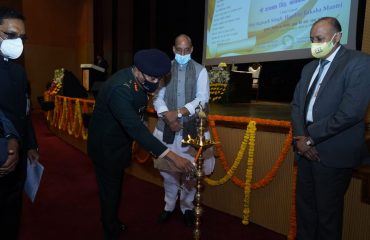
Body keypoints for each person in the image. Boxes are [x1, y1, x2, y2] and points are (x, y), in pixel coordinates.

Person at [87, 48, 195, 240]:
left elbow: (139, 108)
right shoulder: (120, 88)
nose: (155, 83)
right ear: (137, 70)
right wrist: (173, 156)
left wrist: (145, 118)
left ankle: (111, 220)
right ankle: (109, 230)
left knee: (115, 187)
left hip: (120, 143)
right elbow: (135, 129)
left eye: (159, 79)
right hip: (106, 147)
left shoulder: (138, 81)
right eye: (152, 79)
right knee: (109, 192)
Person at [291, 17, 370, 240]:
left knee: (327, 217)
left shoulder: (359, 62)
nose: (315, 43)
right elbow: (296, 105)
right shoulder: (308, 68)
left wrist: (310, 138)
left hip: (332, 153)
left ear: (337, 37)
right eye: (312, 39)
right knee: (305, 212)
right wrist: (300, 138)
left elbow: (350, 112)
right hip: (304, 150)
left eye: (320, 39)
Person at [153, 34, 215, 227]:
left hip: (192, 131)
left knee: (190, 174)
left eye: (186, 50)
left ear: (192, 50)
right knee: (168, 173)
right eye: (179, 50)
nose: (182, 53)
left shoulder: (200, 70)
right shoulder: (164, 69)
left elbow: (202, 100)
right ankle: (169, 205)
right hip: (166, 128)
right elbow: (157, 97)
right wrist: (167, 116)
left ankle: (187, 207)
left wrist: (178, 113)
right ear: (173, 49)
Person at [0, 7, 39, 239]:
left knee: (12, 211)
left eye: (22, 38)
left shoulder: (18, 72)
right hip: (3, 153)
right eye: (11, 35)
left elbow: (24, 112)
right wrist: (7, 143)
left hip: (19, 155)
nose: (18, 43)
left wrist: (31, 144)